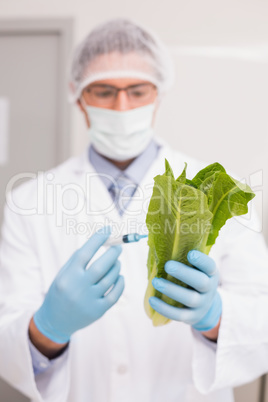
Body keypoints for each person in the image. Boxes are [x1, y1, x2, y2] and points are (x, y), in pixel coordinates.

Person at [0, 18, 268, 402]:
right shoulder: (28, 200)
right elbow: (7, 341)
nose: (122, 106)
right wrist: (46, 329)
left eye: (138, 90)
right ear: (78, 96)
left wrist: (216, 317)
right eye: (104, 91)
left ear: (159, 95)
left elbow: (263, 320)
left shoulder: (216, 190)